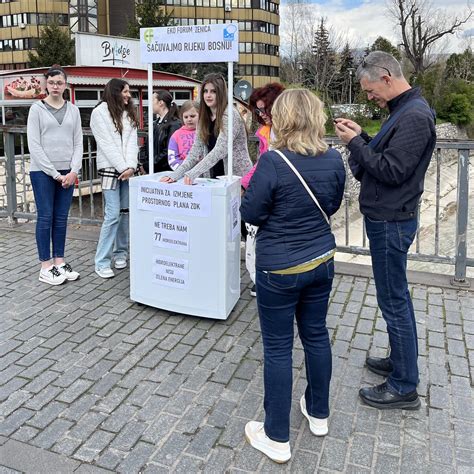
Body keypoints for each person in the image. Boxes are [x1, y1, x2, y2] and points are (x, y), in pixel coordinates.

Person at [241, 89, 345, 463]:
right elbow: (332, 204)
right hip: (320, 259)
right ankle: (319, 412)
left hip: (279, 267)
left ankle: (277, 436)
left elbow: (251, 213)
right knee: (316, 335)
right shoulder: (334, 158)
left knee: (278, 348)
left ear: (282, 117)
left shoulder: (273, 162)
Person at [334, 51, 436, 410]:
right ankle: (399, 361)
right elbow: (388, 156)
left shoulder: (415, 116)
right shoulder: (405, 112)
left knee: (394, 301)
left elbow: (392, 170)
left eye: (369, 89)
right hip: (388, 219)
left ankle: (404, 385)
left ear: (386, 77)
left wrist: (355, 144)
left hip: (392, 221)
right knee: (394, 297)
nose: (368, 96)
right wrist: (363, 137)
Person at [27, 65, 83, 285]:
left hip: (67, 172)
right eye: (51, 82)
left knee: (61, 219)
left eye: (59, 82)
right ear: (45, 84)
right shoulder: (37, 109)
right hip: (42, 172)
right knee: (45, 217)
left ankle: (59, 262)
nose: (55, 86)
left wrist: (73, 171)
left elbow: (78, 142)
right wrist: (54, 174)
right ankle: (46, 266)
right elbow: (34, 145)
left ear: (65, 85)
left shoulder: (74, 110)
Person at [160, 73, 252, 185]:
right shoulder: (204, 117)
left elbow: (220, 150)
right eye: (205, 91)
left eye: (213, 91)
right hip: (213, 179)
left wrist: (193, 172)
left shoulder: (230, 114)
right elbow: (195, 152)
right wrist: (175, 175)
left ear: (221, 93)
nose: (208, 95)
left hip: (237, 180)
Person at [90, 78, 139, 278]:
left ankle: (121, 253)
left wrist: (131, 167)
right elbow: (106, 144)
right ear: (115, 91)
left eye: (129, 91)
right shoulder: (99, 113)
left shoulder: (128, 114)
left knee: (125, 212)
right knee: (112, 215)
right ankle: (101, 261)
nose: (128, 95)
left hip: (127, 170)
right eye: (125, 91)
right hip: (110, 169)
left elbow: (132, 143)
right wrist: (122, 167)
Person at [241, 83, 285, 297]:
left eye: (265, 109)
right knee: (255, 238)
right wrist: (245, 182)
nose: (262, 114)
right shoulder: (266, 133)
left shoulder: (286, 132)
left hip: (280, 195)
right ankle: (260, 279)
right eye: (258, 110)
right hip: (265, 191)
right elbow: (261, 162)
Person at [139, 90, 181, 173]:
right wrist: (144, 163)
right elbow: (145, 145)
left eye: (152, 100)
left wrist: (150, 165)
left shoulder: (174, 124)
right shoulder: (154, 124)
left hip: (166, 172)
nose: (149, 104)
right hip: (153, 170)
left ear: (161, 103)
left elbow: (169, 150)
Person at [167, 100, 199, 170]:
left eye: (192, 116)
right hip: (182, 174)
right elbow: (172, 160)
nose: (189, 119)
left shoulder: (206, 132)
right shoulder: (176, 135)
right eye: (186, 117)